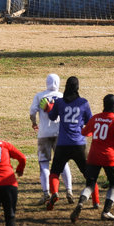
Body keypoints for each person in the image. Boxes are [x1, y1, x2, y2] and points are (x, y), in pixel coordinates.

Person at [71, 94, 114, 222]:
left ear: (104, 104)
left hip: (93, 156)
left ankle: (80, 203)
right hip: (109, 157)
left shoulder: (95, 118)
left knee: (90, 185)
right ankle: (106, 212)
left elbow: (85, 132)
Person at [43, 76, 99, 210]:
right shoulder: (83, 102)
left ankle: (55, 193)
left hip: (62, 144)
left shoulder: (60, 102)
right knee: (89, 175)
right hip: (79, 143)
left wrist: (48, 107)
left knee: (55, 172)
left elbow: (52, 116)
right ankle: (95, 202)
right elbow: (89, 122)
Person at [29, 73, 74, 205]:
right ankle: (69, 190)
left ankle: (46, 193)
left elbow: (32, 112)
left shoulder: (39, 96)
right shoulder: (62, 96)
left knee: (44, 163)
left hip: (44, 134)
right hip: (60, 134)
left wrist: (34, 122)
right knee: (63, 162)